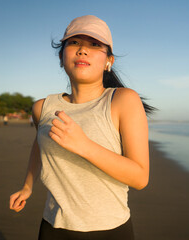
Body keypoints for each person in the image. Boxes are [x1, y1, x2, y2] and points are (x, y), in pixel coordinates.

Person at [9, 15, 154, 240]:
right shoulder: (43, 108)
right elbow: (39, 145)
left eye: (95, 45)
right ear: (61, 56)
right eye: (74, 43)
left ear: (109, 61)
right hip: (53, 226)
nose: (83, 50)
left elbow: (140, 177)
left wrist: (84, 145)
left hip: (110, 229)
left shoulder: (122, 100)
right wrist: (27, 185)